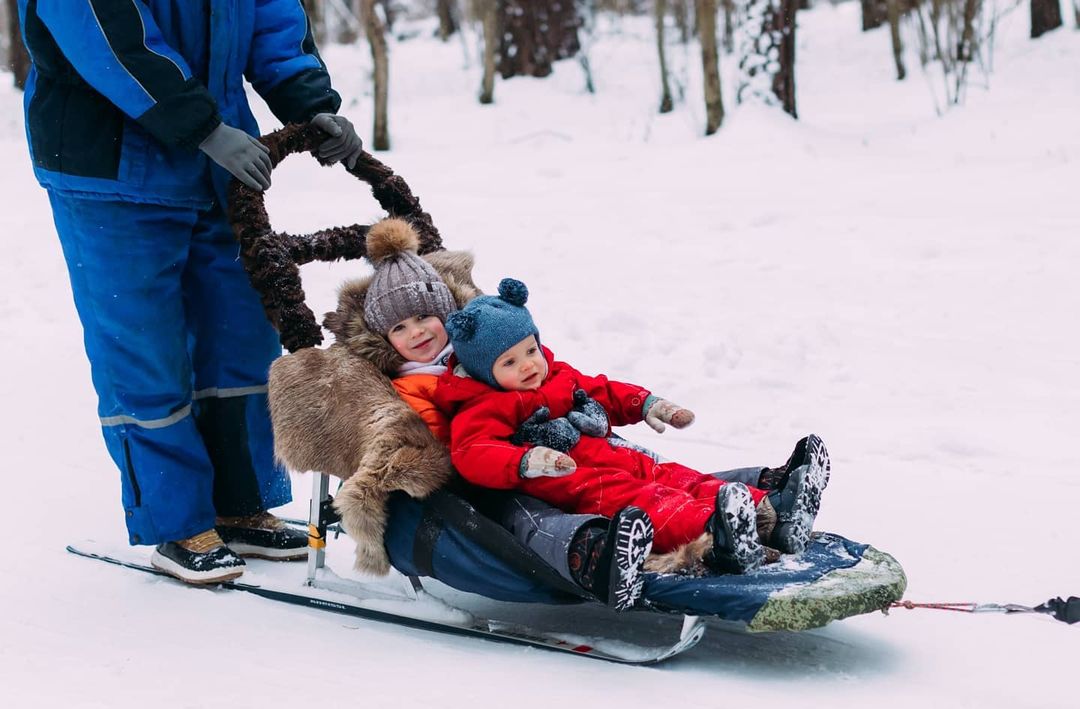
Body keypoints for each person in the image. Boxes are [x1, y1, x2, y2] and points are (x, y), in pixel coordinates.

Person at [18, 1, 365, 585]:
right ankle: (176, 519)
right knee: (143, 346)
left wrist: (312, 105)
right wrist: (200, 126)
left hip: (217, 161)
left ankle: (239, 500)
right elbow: (108, 38)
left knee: (241, 332)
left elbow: (271, 18)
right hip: (111, 165)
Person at [433, 278, 831, 578]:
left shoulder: (557, 375)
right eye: (510, 362)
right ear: (485, 370)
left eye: (531, 350)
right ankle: (718, 531)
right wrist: (525, 460)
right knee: (651, 499)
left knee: (679, 477)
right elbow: (471, 453)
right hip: (575, 481)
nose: (528, 366)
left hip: (613, 454)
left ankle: (771, 514)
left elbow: (602, 390)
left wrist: (647, 404)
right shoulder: (480, 405)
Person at [351, 219, 654, 610]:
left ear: (446, 314)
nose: (417, 333)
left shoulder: (482, 346)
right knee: (528, 518)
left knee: (625, 466)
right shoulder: (410, 386)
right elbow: (443, 440)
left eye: (425, 317)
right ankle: (592, 553)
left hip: (550, 449)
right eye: (400, 327)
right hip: (490, 475)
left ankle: (715, 508)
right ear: (385, 338)